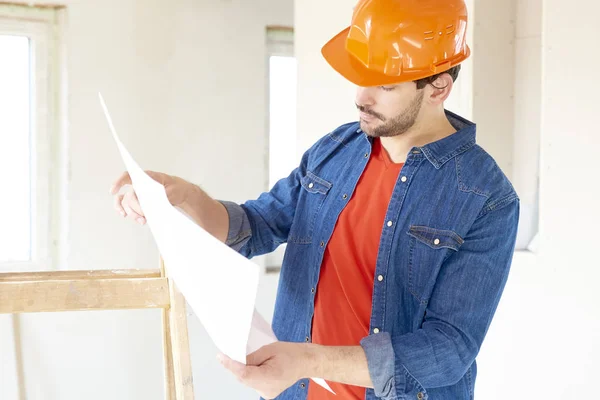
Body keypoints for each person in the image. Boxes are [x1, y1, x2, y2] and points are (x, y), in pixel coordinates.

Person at [110, 0, 520, 399]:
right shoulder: (336, 150)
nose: (362, 96)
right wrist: (185, 195)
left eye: (384, 85)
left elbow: (447, 352)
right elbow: (255, 227)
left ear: (438, 88)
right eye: (360, 76)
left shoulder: (486, 198)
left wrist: (306, 360)